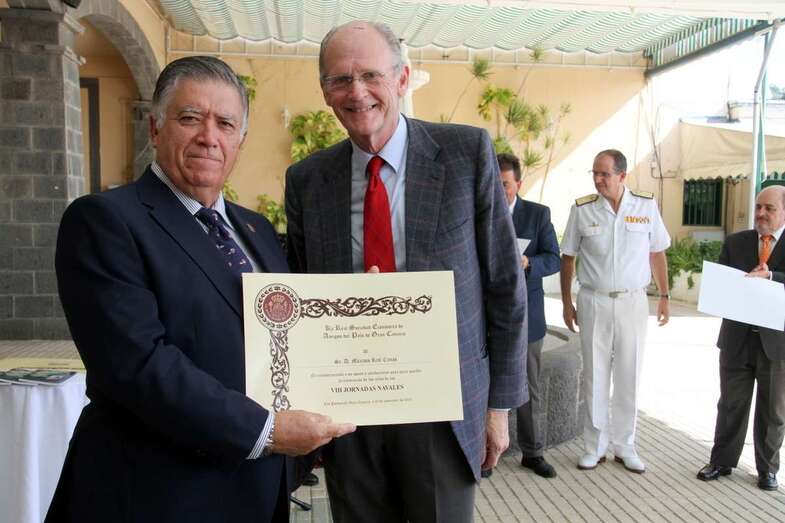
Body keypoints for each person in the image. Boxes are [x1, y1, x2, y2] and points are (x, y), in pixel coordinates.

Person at [47, 56, 354, 523]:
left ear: (240, 141)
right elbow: (139, 365)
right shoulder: (105, 221)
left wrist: (363, 316)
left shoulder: (256, 230)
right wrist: (268, 431)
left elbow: (294, 330)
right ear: (155, 128)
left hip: (254, 491)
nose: (209, 136)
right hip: (155, 495)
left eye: (226, 124)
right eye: (190, 118)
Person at [285, 21, 527, 523]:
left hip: (443, 410)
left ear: (402, 78)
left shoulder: (466, 155)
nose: (357, 92)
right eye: (339, 80)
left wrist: (499, 408)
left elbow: (505, 285)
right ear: (325, 91)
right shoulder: (306, 180)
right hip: (348, 414)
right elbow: (301, 298)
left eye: (371, 74)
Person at [560, 149, 670, 474]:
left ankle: (625, 445)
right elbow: (568, 257)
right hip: (593, 300)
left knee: (628, 373)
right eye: (595, 173)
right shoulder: (582, 209)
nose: (598, 179)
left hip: (632, 301)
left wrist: (664, 295)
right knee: (594, 374)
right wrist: (568, 302)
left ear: (622, 176)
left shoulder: (645, 205)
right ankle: (595, 447)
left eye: (605, 174)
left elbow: (657, 252)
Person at [697, 185, 785, 491]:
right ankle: (721, 460)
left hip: (776, 346)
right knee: (731, 404)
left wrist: (771, 277)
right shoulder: (736, 243)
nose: (761, 213)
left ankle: (767, 469)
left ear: (784, 212)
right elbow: (720, 285)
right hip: (737, 339)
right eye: (759, 207)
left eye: (769, 209)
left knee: (772, 411)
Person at [497, 153, 560, 479]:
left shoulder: (537, 215)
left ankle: (533, 452)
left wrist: (528, 264)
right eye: (495, 183)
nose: (499, 189)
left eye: (505, 184)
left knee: (528, 386)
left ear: (518, 184)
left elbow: (554, 258)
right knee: (485, 386)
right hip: (488, 316)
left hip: (526, 316)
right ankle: (486, 453)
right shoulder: (480, 212)